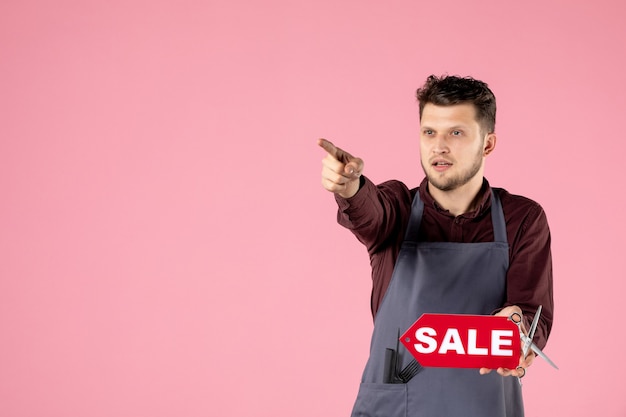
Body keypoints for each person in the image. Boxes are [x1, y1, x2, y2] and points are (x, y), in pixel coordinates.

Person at [318, 75, 553, 417]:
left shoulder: (523, 218)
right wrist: (350, 187)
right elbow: (369, 212)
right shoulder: (396, 209)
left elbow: (531, 314)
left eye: (456, 133)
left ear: (487, 144)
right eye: (429, 132)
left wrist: (518, 328)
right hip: (395, 408)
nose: (438, 146)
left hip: (484, 407)